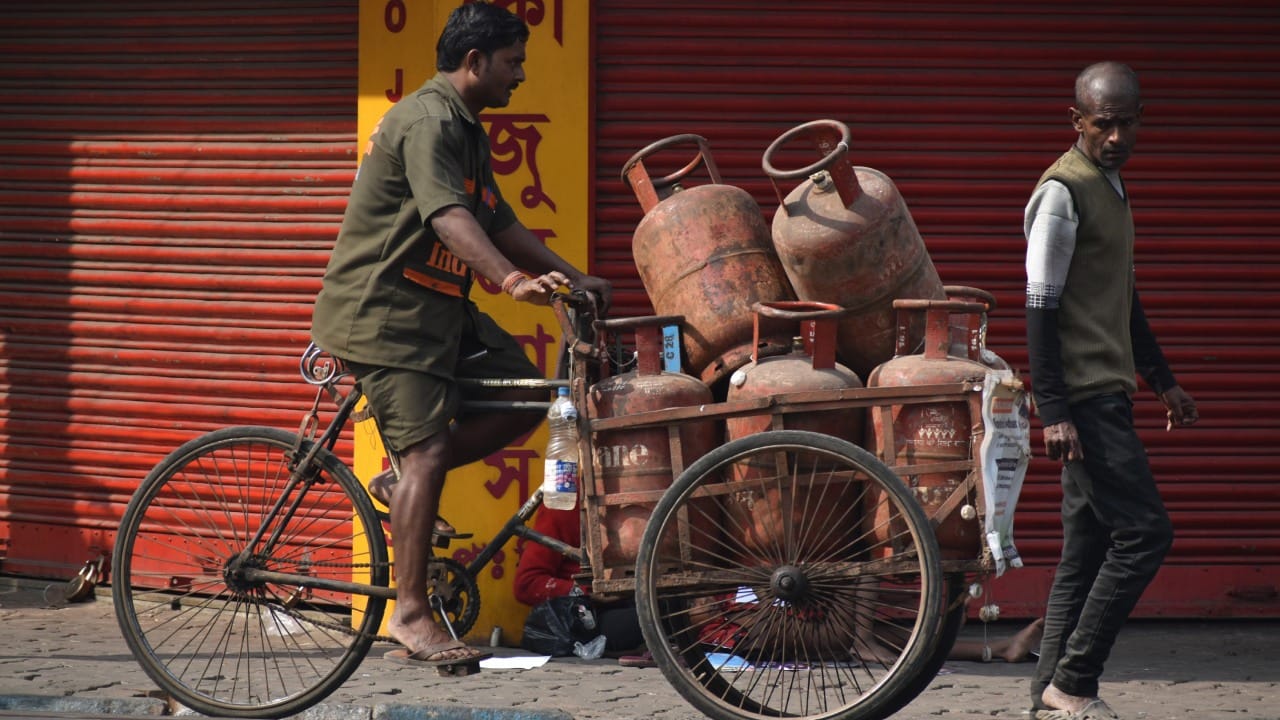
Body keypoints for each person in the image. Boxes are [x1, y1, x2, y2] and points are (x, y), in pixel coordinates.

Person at [310, 2, 610, 668]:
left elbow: (498, 220)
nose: (522, 75)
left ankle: (402, 480)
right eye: (513, 62)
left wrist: (572, 275)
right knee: (425, 457)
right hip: (385, 314)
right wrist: (508, 282)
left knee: (529, 396)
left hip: (440, 311)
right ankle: (410, 615)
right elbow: (448, 217)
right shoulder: (427, 121)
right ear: (474, 62)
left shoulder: (467, 128)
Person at [1023, 61, 1198, 719]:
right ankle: (1074, 680)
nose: (1117, 136)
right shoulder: (1063, 192)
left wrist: (1164, 381)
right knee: (1147, 533)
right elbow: (1039, 306)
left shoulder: (1111, 186)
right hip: (1085, 399)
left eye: (1128, 123)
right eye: (1104, 124)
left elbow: (1121, 300)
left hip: (1109, 390)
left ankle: (1046, 700)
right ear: (1077, 122)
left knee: (1084, 553)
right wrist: (1053, 410)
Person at [514, 507, 647, 662]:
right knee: (656, 619)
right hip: (589, 616)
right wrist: (587, 591)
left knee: (671, 609)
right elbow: (526, 583)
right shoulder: (563, 506)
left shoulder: (640, 501)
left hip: (633, 600)